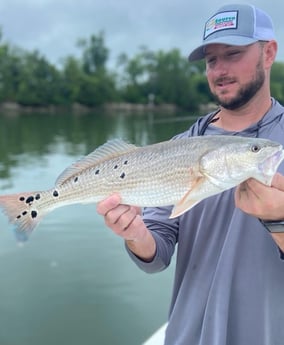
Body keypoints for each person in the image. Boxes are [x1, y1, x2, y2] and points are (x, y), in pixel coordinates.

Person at [97, 4, 284, 345]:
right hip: (187, 335)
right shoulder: (180, 146)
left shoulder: (276, 147)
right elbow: (157, 256)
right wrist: (135, 233)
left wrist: (280, 221)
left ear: (268, 52)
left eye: (233, 53)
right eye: (211, 60)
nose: (220, 69)